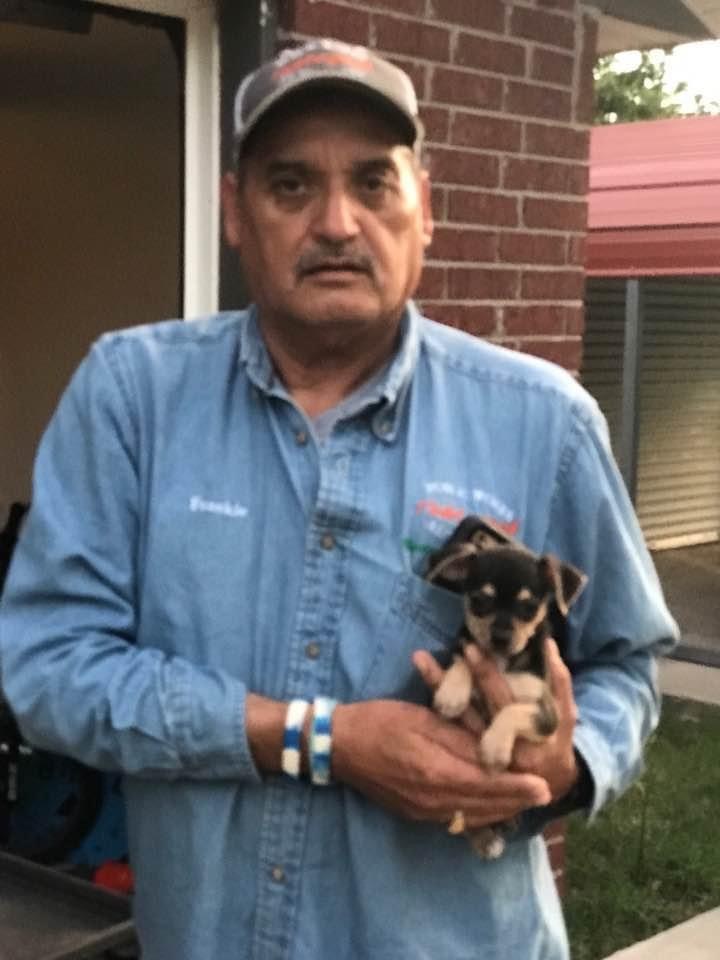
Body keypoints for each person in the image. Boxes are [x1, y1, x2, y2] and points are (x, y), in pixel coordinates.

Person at [0, 38, 677, 960]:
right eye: (290, 186)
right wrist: (316, 737)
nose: (336, 223)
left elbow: (627, 662)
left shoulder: (545, 422)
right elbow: (47, 666)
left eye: (373, 183)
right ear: (234, 213)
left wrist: (568, 765)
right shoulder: (133, 399)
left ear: (424, 209)